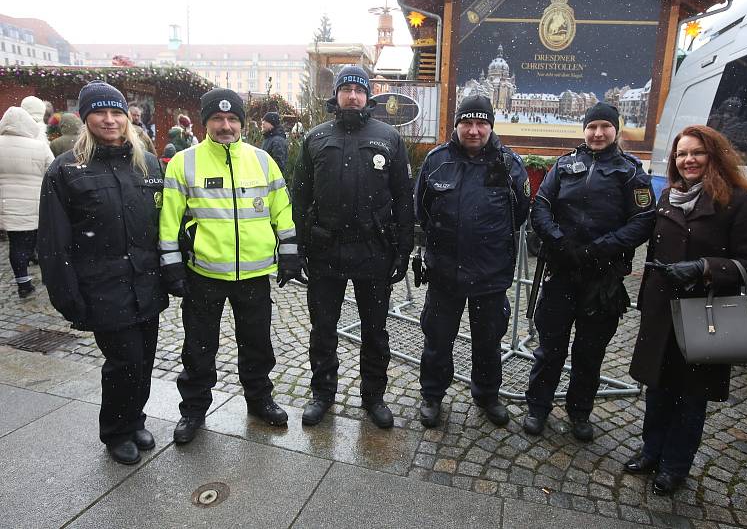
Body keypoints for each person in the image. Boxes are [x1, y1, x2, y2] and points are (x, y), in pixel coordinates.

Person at [626, 125, 747, 495]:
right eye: (681, 153)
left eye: (697, 153)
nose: (688, 160)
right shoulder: (667, 196)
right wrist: (645, 301)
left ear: (714, 156)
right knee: (657, 387)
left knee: (691, 396)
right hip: (662, 310)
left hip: (706, 311)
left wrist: (705, 268)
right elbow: (656, 253)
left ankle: (675, 466)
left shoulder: (738, 201)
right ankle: (651, 451)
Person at [159, 87, 300, 444]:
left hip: (253, 275)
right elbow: (169, 220)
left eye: (232, 119)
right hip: (203, 273)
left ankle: (259, 399)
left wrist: (289, 251)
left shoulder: (262, 160)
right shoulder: (184, 162)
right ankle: (193, 410)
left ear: (242, 123)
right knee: (198, 347)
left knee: (256, 344)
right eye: (218, 119)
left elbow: (282, 209)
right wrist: (172, 265)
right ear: (206, 122)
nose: (226, 126)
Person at [37, 80, 167, 465]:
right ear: (85, 117)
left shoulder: (146, 162)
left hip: (146, 281)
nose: (109, 121)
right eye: (100, 112)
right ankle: (115, 431)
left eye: (116, 113)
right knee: (124, 362)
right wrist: (67, 295)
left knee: (144, 360)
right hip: (103, 287)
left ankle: (135, 419)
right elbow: (53, 242)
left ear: (127, 118)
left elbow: (162, 222)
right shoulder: (66, 171)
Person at [524, 102, 656, 441]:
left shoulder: (630, 172)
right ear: (584, 129)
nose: (598, 133)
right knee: (550, 348)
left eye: (604, 127)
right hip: (563, 271)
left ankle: (579, 411)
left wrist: (601, 248)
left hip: (603, 278)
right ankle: (537, 407)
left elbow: (643, 221)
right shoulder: (565, 164)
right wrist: (561, 242)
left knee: (589, 351)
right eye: (592, 127)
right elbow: (540, 206)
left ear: (615, 130)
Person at [293, 65, 414, 428]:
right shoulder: (315, 137)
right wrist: (296, 247)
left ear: (368, 96)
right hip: (325, 251)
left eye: (359, 90)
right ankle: (322, 394)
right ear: (337, 95)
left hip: (373, 251)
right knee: (323, 329)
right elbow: (298, 198)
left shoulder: (388, 137)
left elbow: (403, 198)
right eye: (346, 89)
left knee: (375, 331)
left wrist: (403, 249)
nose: (352, 96)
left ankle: (374, 396)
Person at [414, 95, 530, 428]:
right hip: (444, 273)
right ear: (457, 125)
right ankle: (433, 396)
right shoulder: (437, 161)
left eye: (481, 123)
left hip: (490, 274)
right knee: (437, 341)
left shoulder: (509, 164)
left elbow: (521, 211)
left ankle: (487, 396)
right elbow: (420, 209)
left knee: (488, 343)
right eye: (467, 123)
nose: (474, 130)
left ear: (491, 126)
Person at [0, 106, 53, 298]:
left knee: (17, 244)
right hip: (37, 204)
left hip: (7, 204)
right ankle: (49, 277)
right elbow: (52, 171)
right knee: (42, 242)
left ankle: (23, 283)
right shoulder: (39, 146)